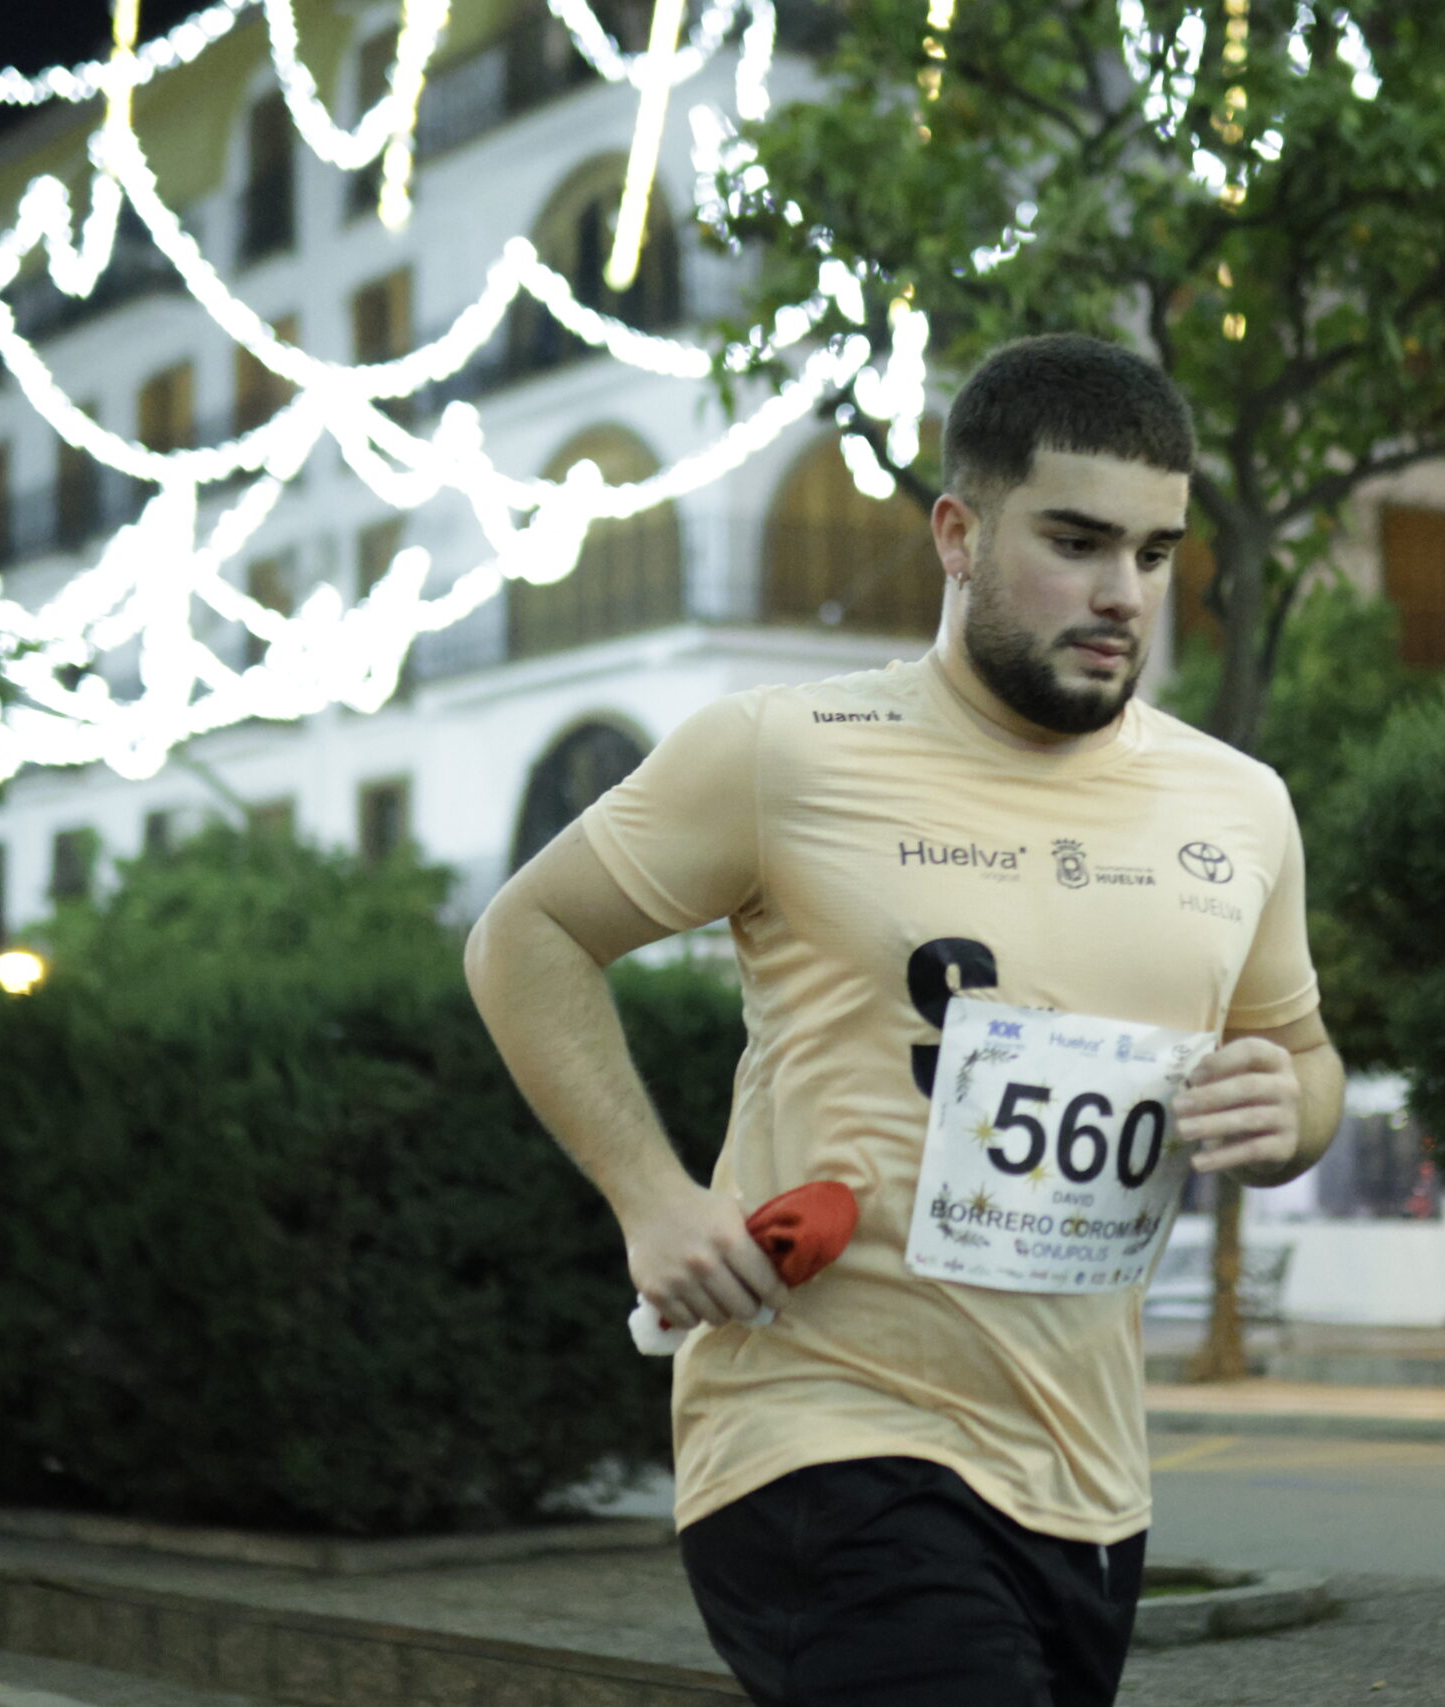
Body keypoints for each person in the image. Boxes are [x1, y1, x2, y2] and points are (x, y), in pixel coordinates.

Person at [465, 332, 1344, 1706]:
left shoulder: (1240, 806)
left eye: (1156, 552)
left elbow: (1304, 1059)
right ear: (958, 535)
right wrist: (651, 1200)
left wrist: (1293, 1113)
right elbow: (527, 935)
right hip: (823, 1440)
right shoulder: (783, 751)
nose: (1122, 593)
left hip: (1087, 1482)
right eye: (1076, 542)